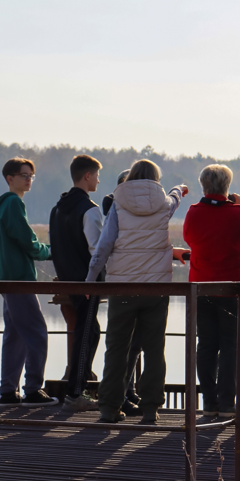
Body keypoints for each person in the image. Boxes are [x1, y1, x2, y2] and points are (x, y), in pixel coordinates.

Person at [86, 159, 188, 424]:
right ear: (156, 179)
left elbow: (104, 246)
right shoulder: (164, 204)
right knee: (155, 348)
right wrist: (179, 188)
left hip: (123, 287)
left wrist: (90, 279)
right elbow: (175, 198)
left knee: (116, 347)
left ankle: (109, 407)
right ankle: (151, 408)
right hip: (156, 288)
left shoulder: (118, 205)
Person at [182, 164, 240, 419]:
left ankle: (209, 403)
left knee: (206, 345)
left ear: (203, 185)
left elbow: (189, 239)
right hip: (233, 288)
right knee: (231, 347)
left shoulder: (193, 212)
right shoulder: (238, 213)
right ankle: (227, 404)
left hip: (201, 287)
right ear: (227, 186)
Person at [0, 157, 57, 408]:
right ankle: (33, 389)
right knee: (37, 333)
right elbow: (27, 241)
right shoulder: (14, 204)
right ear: (10, 178)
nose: (29, 180)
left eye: (31, 176)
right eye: (24, 175)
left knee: (15, 335)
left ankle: (7, 391)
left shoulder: (5, 205)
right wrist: (52, 251)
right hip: (18, 279)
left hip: (7, 278)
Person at [49, 154, 105, 412]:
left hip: (68, 280)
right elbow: (97, 250)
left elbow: (58, 246)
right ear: (87, 176)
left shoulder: (57, 208)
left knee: (89, 330)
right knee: (86, 334)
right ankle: (75, 394)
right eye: (96, 175)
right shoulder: (90, 210)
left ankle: (78, 385)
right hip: (88, 282)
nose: (98, 180)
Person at [102, 169, 145, 416]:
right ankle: (120, 396)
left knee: (130, 344)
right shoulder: (116, 206)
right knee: (126, 344)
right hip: (131, 281)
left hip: (124, 280)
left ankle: (126, 392)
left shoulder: (116, 206)